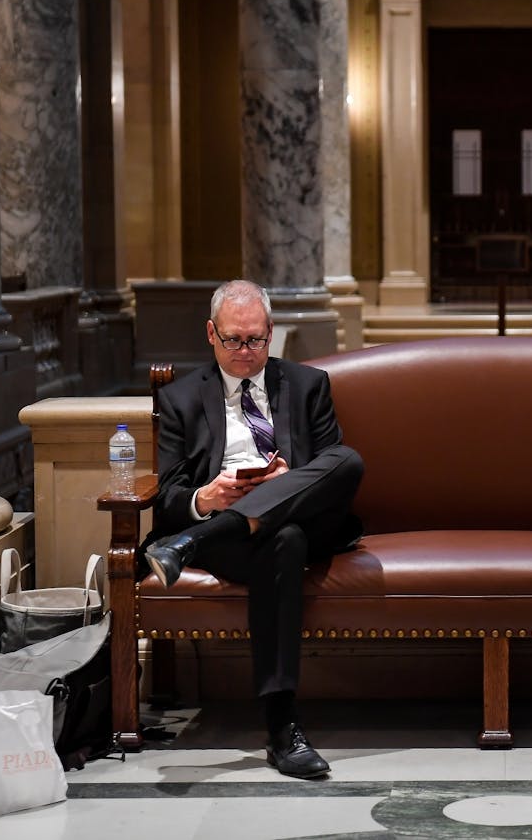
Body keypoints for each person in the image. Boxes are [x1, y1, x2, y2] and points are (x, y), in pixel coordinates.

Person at [145, 279, 364, 779]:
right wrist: (207, 498)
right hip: (244, 543)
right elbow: (171, 494)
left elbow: (329, 471)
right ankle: (282, 726)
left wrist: (286, 481)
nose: (246, 352)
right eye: (233, 341)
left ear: (271, 333)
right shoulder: (180, 399)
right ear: (211, 334)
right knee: (282, 542)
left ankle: (190, 545)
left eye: (256, 340)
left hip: (297, 519)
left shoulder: (309, 385)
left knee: (347, 461)